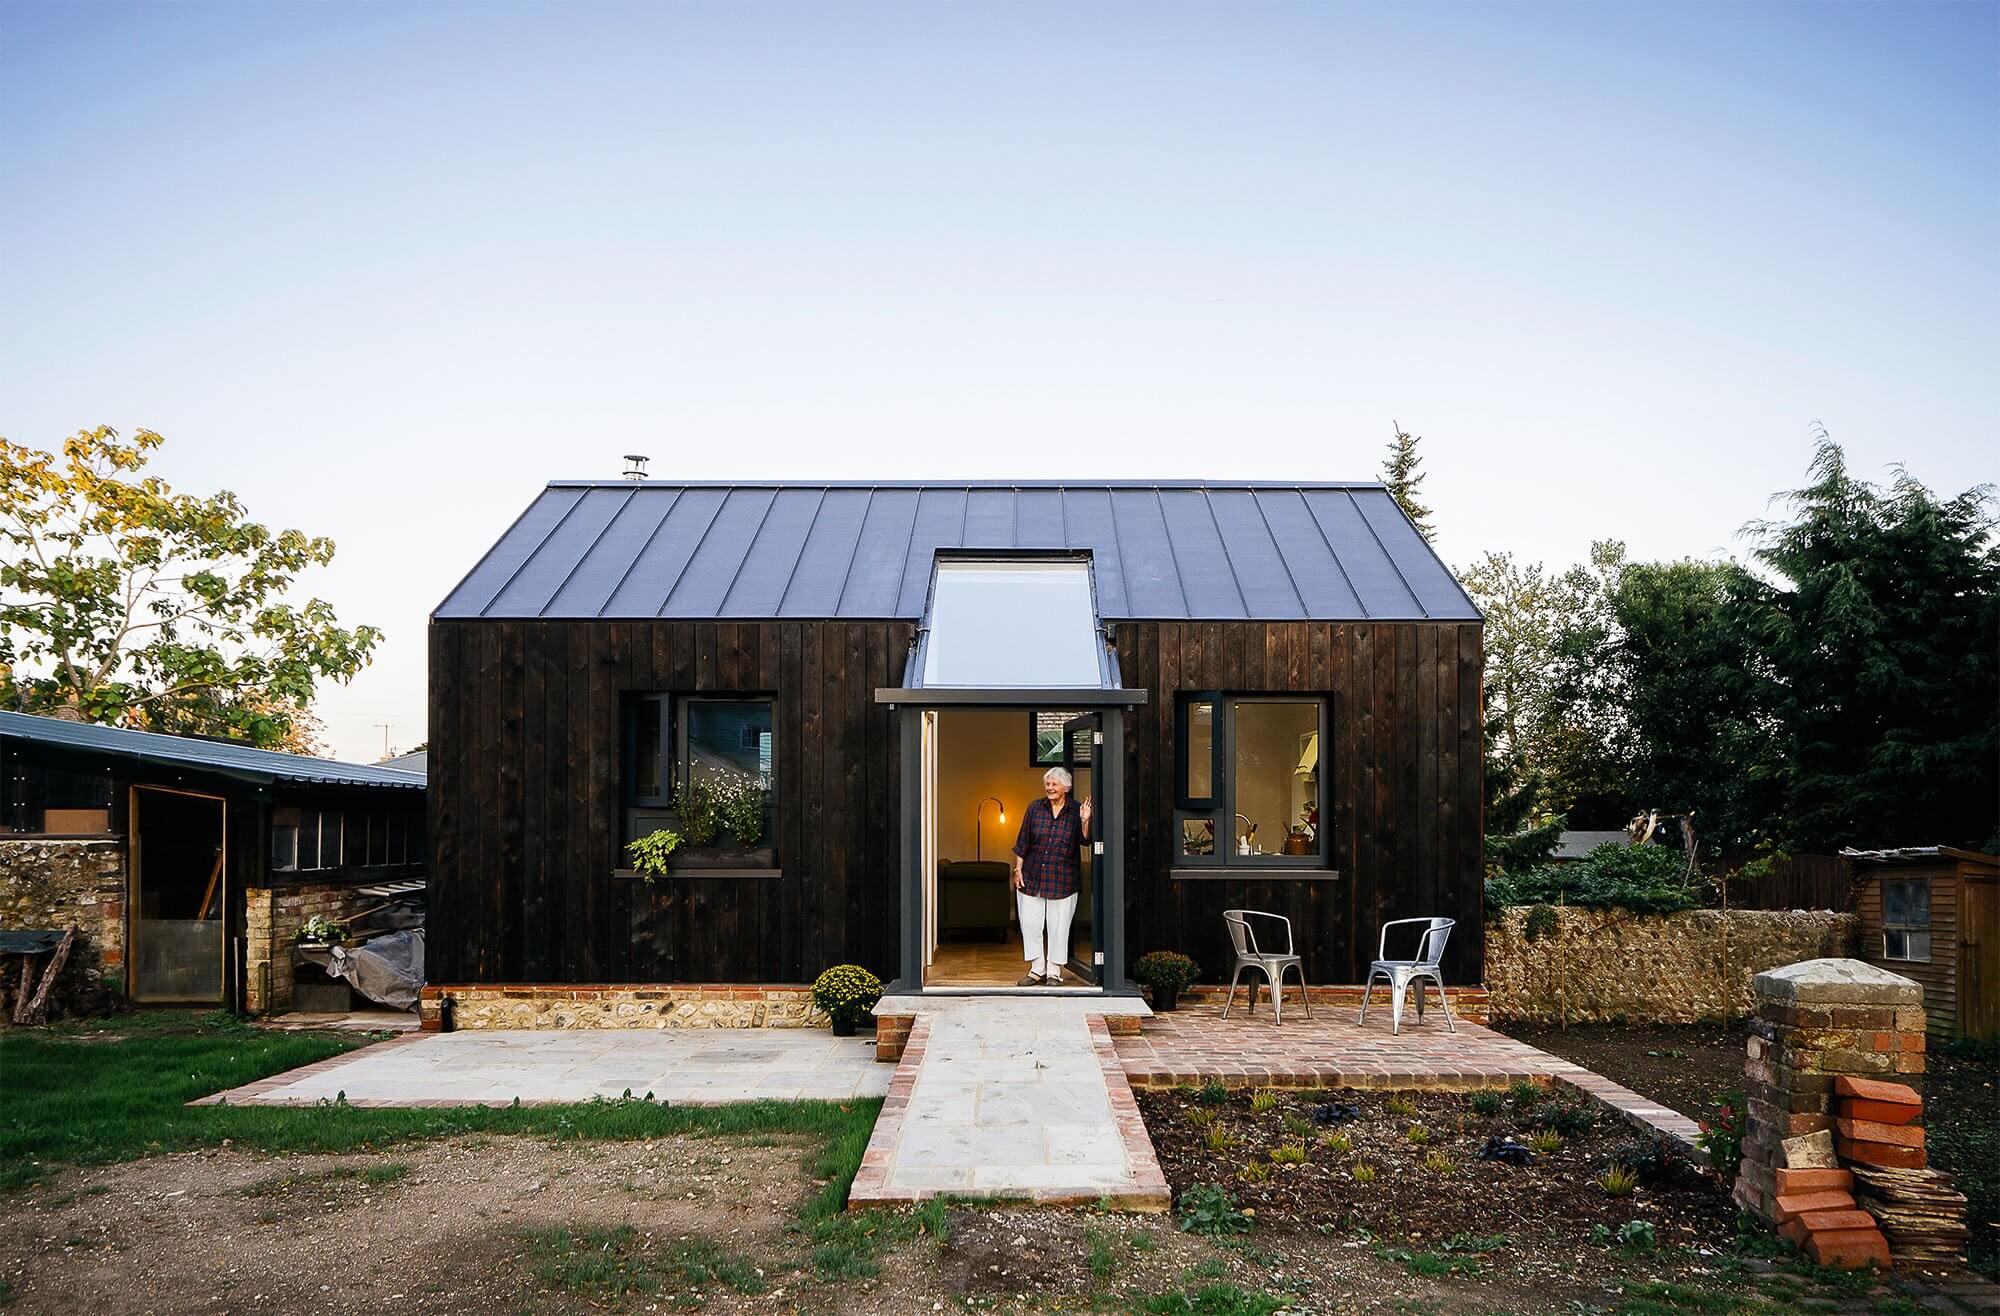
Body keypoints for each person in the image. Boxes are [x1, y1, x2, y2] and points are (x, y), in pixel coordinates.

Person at [1010, 766, 1091, 986]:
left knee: (1059, 926)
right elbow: (1022, 842)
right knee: (1030, 923)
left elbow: (1085, 841)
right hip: (1032, 875)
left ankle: (1054, 971)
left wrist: (1085, 820)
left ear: (1066, 787)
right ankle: (1036, 970)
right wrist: (1018, 870)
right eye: (1047, 784)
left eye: (1054, 784)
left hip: (1063, 877)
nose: (1050, 788)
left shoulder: (1076, 810)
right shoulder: (1035, 808)